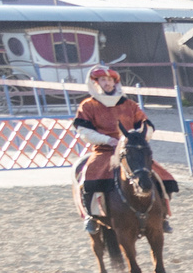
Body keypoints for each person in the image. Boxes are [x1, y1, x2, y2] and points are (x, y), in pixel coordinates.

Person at [71, 66, 176, 235]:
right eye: (103, 80)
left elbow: (146, 125)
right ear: (96, 83)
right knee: (89, 177)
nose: (108, 83)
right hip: (104, 150)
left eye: (110, 80)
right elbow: (84, 131)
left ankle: (162, 216)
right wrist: (108, 140)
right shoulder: (88, 106)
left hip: (131, 149)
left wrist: (138, 138)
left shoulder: (129, 104)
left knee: (163, 178)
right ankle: (91, 217)